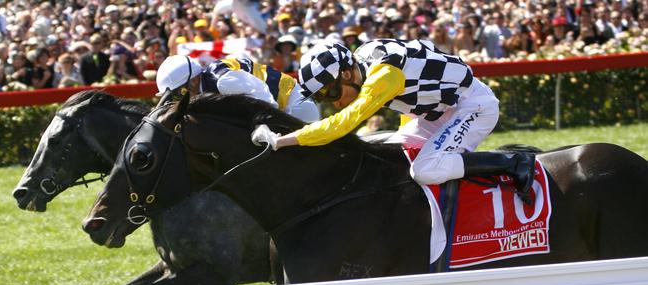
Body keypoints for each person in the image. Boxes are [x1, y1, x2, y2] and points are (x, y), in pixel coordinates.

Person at [251, 40, 535, 203]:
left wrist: (283, 139)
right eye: (325, 98)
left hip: (473, 107)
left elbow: (342, 124)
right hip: (437, 112)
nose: (335, 102)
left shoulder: (382, 76)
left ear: (348, 74)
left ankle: (513, 162)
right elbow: (413, 94)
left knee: (425, 170)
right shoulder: (363, 62)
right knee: (384, 148)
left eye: (332, 92)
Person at [155, 55, 320, 122]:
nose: (178, 101)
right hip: (282, 105)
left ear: (192, 82)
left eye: (178, 95)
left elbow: (267, 107)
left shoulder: (223, 82)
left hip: (294, 105)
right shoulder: (207, 87)